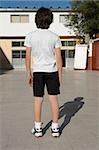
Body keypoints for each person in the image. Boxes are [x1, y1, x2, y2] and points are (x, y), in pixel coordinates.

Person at [24, 7, 62, 137]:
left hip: (38, 72)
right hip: (51, 72)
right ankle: (55, 128)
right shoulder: (55, 37)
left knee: (38, 100)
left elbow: (28, 57)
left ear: (37, 20)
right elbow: (59, 59)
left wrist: (29, 73)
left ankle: (38, 128)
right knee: (53, 99)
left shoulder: (30, 36)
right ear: (50, 20)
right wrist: (59, 77)